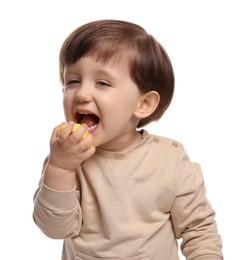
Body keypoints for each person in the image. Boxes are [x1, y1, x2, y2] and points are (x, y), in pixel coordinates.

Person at [33, 19, 223, 260]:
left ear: (143, 104)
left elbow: (198, 230)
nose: (81, 93)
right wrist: (60, 167)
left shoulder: (170, 159)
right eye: (72, 81)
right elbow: (54, 228)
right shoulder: (65, 160)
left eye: (102, 83)